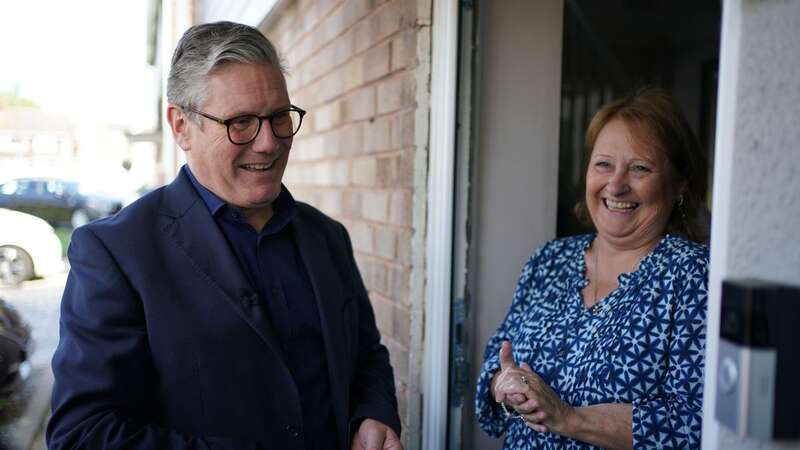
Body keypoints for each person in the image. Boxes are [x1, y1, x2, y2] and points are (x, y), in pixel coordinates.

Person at [47, 21, 402, 450]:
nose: (269, 142)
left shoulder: (327, 236)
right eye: (241, 123)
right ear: (181, 126)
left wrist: (373, 414)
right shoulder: (115, 253)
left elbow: (366, 356)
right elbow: (84, 435)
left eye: (278, 117)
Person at [475, 87, 710, 449]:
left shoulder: (694, 274)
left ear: (679, 184)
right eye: (603, 164)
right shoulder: (549, 260)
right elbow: (496, 359)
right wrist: (503, 384)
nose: (616, 184)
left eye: (640, 168)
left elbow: (695, 422)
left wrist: (569, 418)